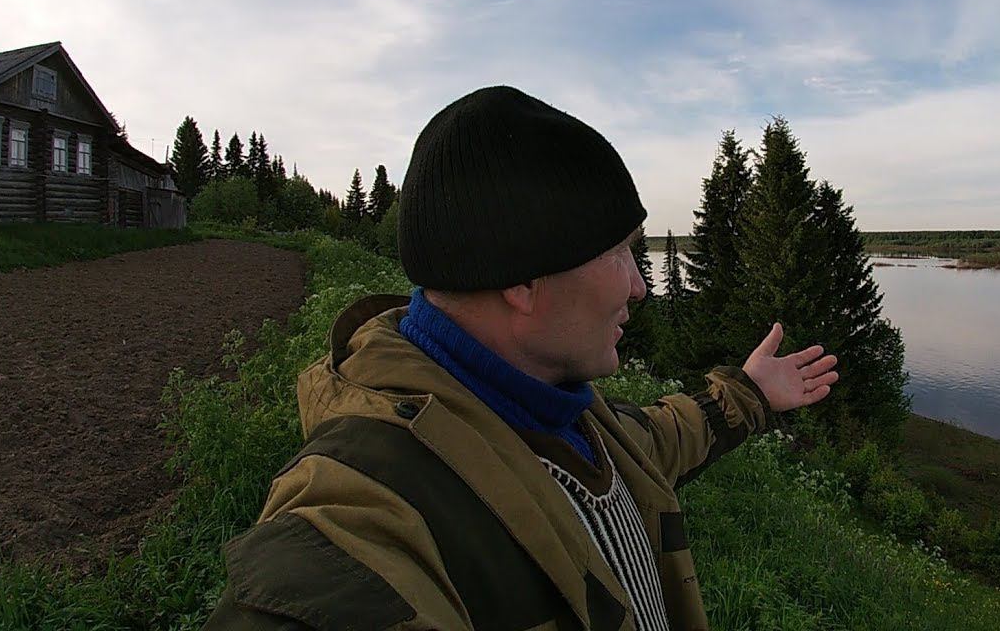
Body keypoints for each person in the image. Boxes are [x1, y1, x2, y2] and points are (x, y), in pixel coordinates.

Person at [203, 86, 838, 631]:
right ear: (522, 280)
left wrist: (750, 392)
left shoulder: (570, 418)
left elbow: (659, 439)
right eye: (619, 252)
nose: (639, 287)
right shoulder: (371, 503)